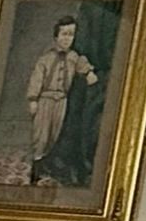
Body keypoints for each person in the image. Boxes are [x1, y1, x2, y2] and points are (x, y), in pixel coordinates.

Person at [26, 16, 98, 182]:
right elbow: (36, 79)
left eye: (71, 35)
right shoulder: (45, 59)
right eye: (64, 34)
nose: (67, 38)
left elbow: (83, 67)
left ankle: (47, 165)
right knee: (41, 134)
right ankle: (35, 170)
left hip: (62, 102)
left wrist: (89, 73)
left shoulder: (74, 57)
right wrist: (33, 99)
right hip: (46, 100)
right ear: (56, 36)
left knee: (54, 134)